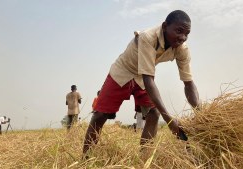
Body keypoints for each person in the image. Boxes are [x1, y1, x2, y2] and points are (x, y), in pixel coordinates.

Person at [83, 10, 200, 156]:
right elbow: (148, 79)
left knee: (153, 113)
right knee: (100, 115)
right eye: (179, 31)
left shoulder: (182, 50)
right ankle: (85, 158)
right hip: (122, 72)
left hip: (143, 76)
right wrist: (169, 120)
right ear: (165, 26)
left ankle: (145, 158)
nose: (182, 37)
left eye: (186, 34)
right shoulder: (148, 37)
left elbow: (188, 83)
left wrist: (201, 114)